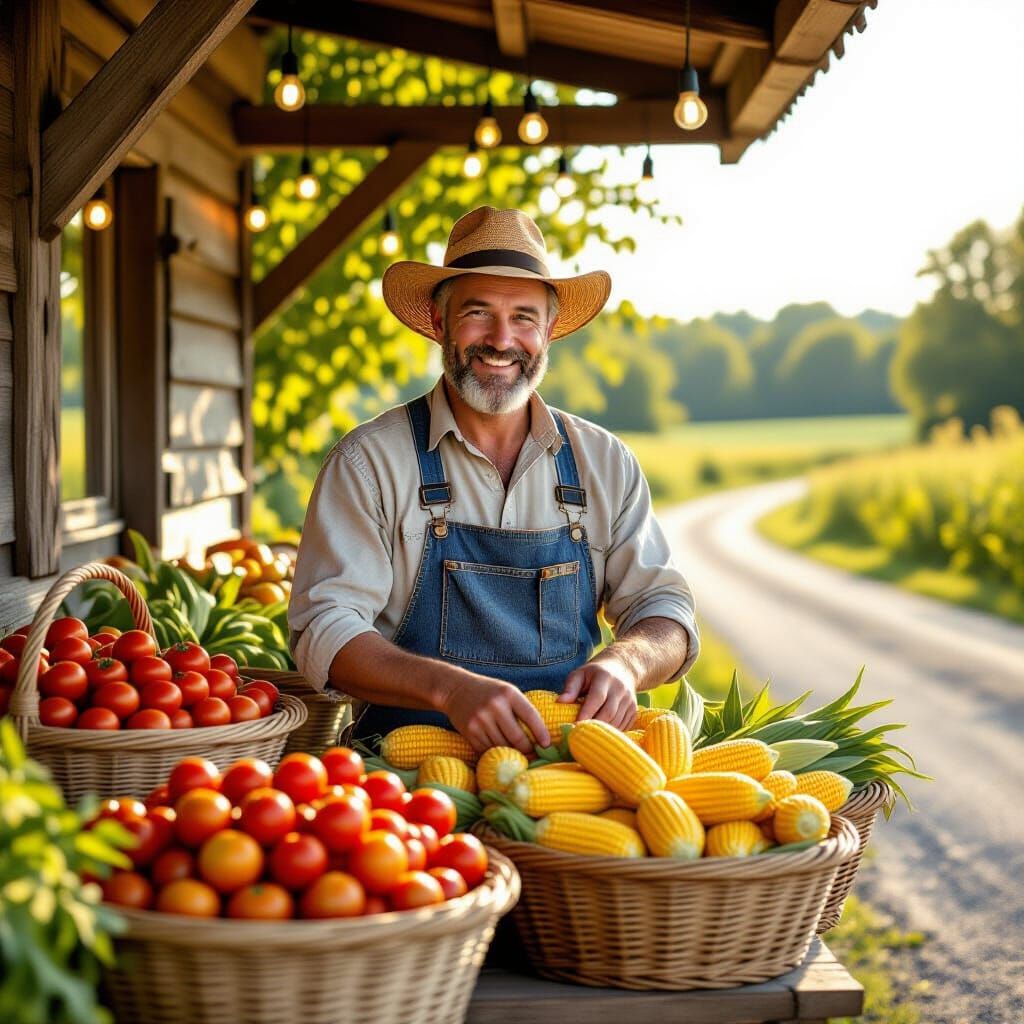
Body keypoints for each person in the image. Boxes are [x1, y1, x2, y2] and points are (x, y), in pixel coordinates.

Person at [288, 206, 699, 755]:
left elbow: (665, 612)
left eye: (524, 317)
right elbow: (324, 631)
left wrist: (626, 663)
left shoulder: (605, 463)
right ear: (439, 323)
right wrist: (448, 688)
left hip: (567, 776)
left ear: (549, 331)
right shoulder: (369, 463)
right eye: (478, 313)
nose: (502, 340)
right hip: (404, 790)